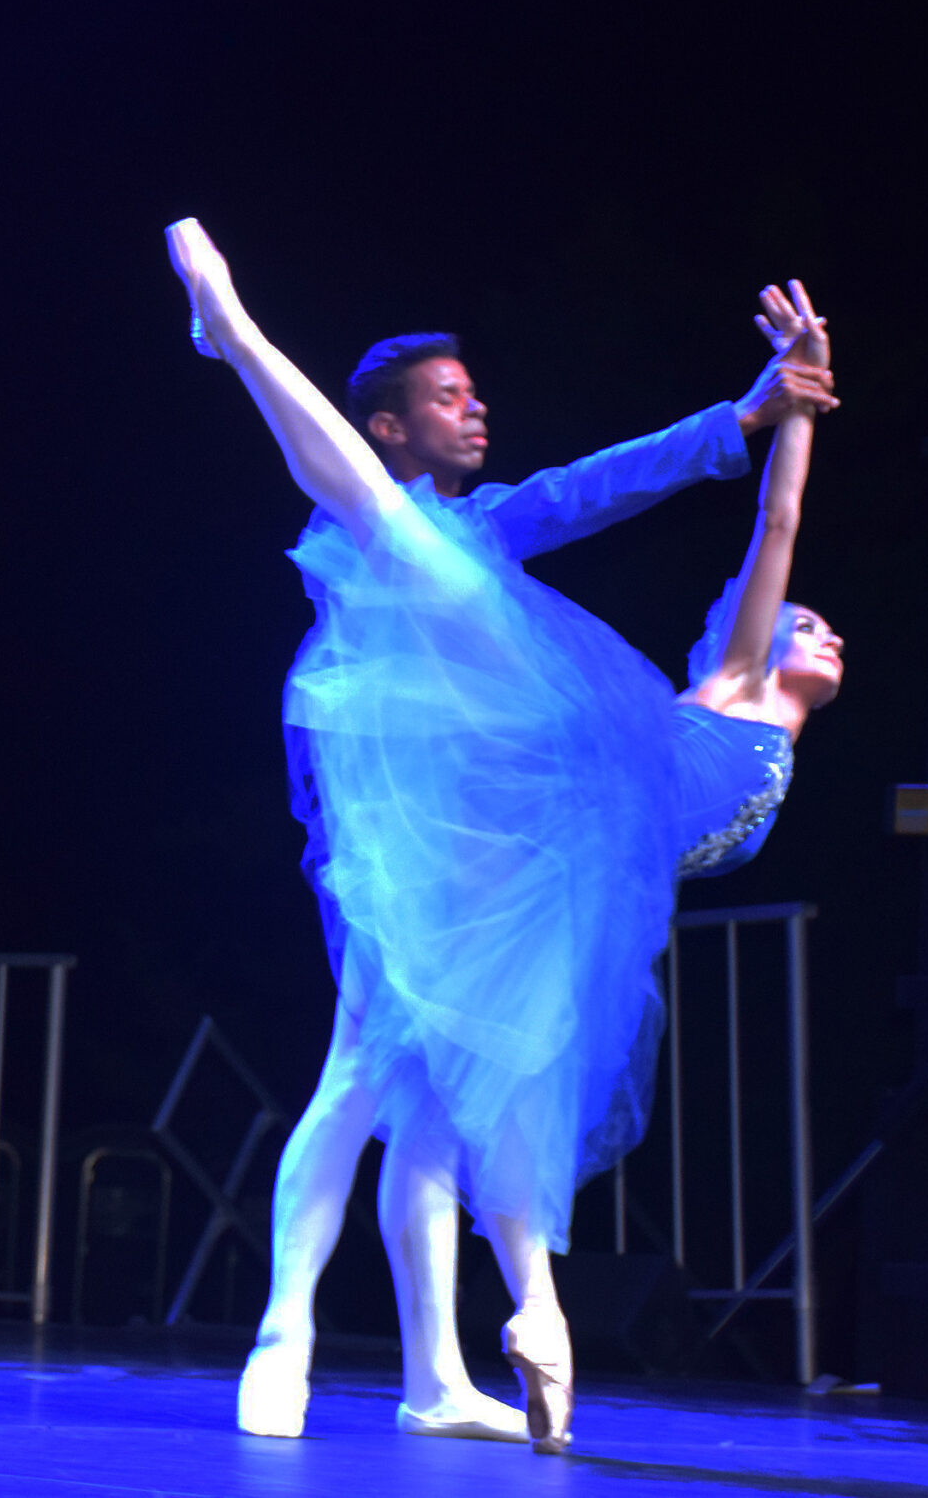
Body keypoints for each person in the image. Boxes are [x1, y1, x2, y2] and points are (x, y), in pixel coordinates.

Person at [164, 220, 838, 1452]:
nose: (475, 412)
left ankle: (436, 1375)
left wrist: (740, 420)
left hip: (505, 833)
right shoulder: (393, 528)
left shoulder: (496, 523)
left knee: (433, 1101)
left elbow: (594, 486)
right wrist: (757, 419)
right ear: (391, 423)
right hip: (407, 793)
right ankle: (284, 1330)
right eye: (446, 398)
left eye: (476, 394)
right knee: (362, 1068)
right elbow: (730, 530)